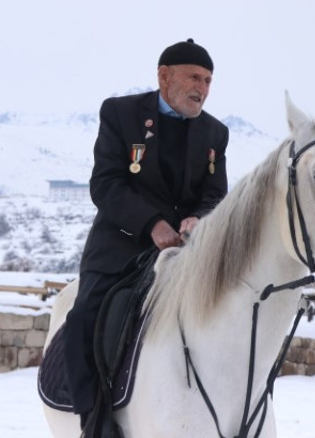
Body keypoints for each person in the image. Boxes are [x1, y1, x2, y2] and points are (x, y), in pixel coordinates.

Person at [63, 38, 229, 429]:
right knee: (83, 319)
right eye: (194, 78)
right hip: (120, 247)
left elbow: (214, 194)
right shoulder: (120, 114)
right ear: (164, 76)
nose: (202, 89)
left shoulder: (215, 134)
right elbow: (106, 184)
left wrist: (197, 219)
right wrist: (152, 223)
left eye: (208, 81)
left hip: (186, 254)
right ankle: (94, 419)